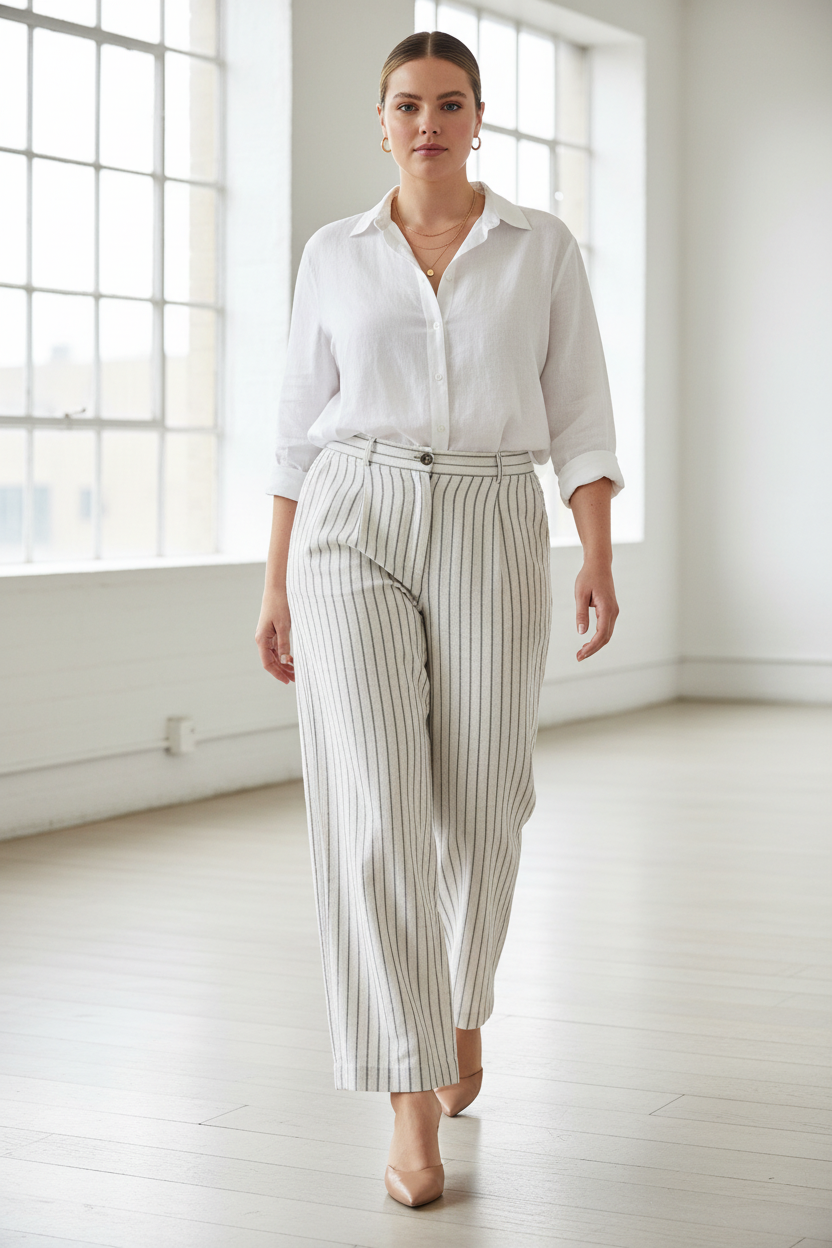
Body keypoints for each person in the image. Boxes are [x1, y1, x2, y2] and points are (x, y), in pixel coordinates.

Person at [255, 29, 624, 1209]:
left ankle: (460, 1002)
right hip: (350, 516)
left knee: (484, 799)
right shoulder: (333, 253)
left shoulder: (539, 246)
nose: (428, 122)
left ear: (477, 120)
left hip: (489, 512)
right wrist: (275, 580)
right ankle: (408, 1094)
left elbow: (580, 412)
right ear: (380, 123)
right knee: (371, 809)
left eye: (449, 103)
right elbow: (296, 426)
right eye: (407, 104)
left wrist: (595, 553)